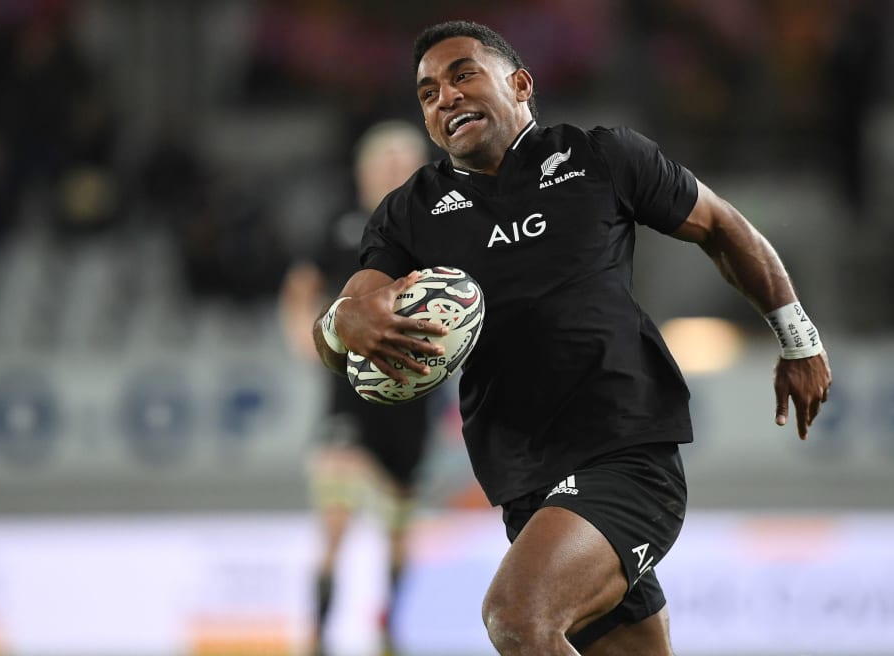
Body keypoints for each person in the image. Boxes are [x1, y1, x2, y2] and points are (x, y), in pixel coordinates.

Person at [312, 20, 832, 656]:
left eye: (462, 74)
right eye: (426, 93)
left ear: (521, 83)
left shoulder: (602, 157)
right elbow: (343, 322)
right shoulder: (409, 212)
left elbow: (722, 225)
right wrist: (341, 323)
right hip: (524, 482)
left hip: (625, 456)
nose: (444, 97)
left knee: (518, 619)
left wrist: (798, 339)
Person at [280, 120, 434, 656]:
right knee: (337, 513)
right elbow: (301, 287)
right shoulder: (342, 226)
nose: (393, 171)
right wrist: (305, 338)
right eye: (383, 162)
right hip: (348, 393)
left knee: (398, 529)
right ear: (363, 172)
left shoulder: (438, 229)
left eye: (403, 161)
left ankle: (387, 629)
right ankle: (319, 636)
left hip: (411, 398)